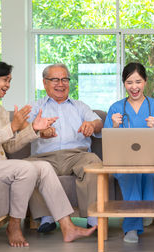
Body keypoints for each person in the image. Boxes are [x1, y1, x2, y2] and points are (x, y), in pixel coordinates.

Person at [0, 59, 96, 247]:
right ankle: (14, 225)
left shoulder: (0, 110)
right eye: (5, 80)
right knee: (26, 169)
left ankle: (68, 227)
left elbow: (9, 147)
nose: (8, 86)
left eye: (9, 80)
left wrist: (34, 129)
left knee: (43, 167)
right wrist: (13, 126)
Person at [26, 63, 102, 233]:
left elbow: (98, 122)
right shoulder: (36, 107)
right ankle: (47, 216)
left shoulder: (79, 105)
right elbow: (23, 127)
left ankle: (92, 216)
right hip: (44, 156)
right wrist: (38, 129)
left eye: (65, 79)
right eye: (55, 80)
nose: (61, 84)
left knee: (94, 163)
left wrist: (91, 125)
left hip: (77, 155)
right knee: (27, 168)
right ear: (45, 83)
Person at [104, 62, 154, 243]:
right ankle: (133, 226)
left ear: (145, 82)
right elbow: (109, 143)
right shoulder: (115, 108)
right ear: (124, 84)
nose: (134, 87)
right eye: (129, 82)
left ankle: (146, 209)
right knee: (130, 173)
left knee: (146, 168)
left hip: (152, 155)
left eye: (138, 82)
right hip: (123, 158)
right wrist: (114, 126)